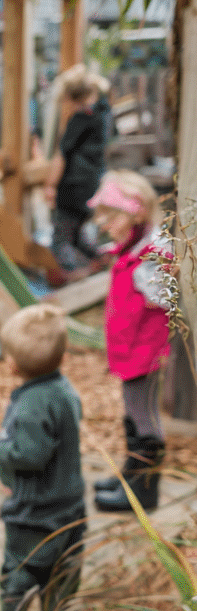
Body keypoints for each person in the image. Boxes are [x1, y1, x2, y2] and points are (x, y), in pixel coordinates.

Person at [0, 304, 86, 611]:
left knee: (20, 566)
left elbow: (31, 455)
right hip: (71, 503)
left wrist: (0, 449)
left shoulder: (33, 404)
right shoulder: (65, 391)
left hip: (34, 511)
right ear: (61, 359)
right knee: (63, 569)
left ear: (13, 366)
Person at [88, 170, 174, 512]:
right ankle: (132, 474)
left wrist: (156, 271)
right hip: (131, 351)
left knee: (144, 417)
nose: (103, 223)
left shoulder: (150, 255)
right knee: (133, 412)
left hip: (145, 354)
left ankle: (144, 491)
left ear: (136, 215)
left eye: (111, 216)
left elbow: (165, 298)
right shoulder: (132, 247)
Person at [43, 69, 109, 280]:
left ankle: (70, 275)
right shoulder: (103, 113)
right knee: (76, 232)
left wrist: (50, 185)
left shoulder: (80, 119)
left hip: (73, 185)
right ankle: (102, 259)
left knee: (61, 238)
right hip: (90, 182)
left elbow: (62, 155)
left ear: (71, 97)